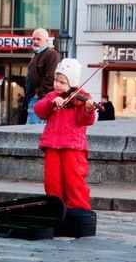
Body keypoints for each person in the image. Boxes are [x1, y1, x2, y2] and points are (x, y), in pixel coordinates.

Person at [33, 58, 95, 211]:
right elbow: (38, 110)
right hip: (52, 145)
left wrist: (88, 110)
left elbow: (84, 121)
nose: (57, 84)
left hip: (73, 146)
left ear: (72, 83)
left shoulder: (81, 97)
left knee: (74, 180)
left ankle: (78, 210)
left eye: (62, 82)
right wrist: (51, 103)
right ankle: (56, 209)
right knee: (52, 181)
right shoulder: (52, 96)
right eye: (56, 80)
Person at [25, 28, 60, 124]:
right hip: (35, 98)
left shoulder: (51, 54)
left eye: (38, 39)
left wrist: (38, 93)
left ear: (47, 41)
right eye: (33, 39)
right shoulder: (36, 55)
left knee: (32, 130)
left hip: (40, 98)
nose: (35, 41)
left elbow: (50, 78)